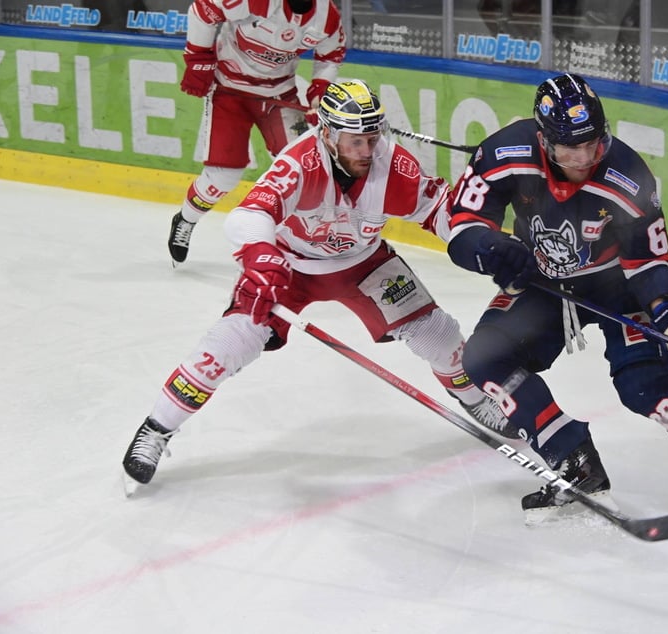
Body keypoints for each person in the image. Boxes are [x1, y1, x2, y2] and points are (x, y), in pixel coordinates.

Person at [446, 73, 668, 544]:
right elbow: (461, 228)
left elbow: (647, 262)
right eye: (570, 148)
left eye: (593, 142)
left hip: (617, 287)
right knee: (484, 359)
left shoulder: (628, 176)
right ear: (544, 139)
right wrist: (489, 247)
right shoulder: (504, 153)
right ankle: (575, 463)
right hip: (546, 283)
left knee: (644, 383)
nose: (585, 157)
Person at [123, 80, 514, 494]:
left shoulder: (392, 164)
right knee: (228, 345)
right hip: (289, 268)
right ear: (327, 133)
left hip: (364, 263)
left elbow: (436, 207)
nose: (366, 151)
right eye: (354, 142)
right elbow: (248, 215)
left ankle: (474, 399)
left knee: (439, 335)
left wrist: (475, 241)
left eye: (371, 138)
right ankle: (157, 428)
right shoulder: (298, 164)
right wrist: (262, 257)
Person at [167, 0, 347, 267]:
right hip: (229, 92)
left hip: (278, 96)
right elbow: (203, 10)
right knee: (223, 177)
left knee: (304, 171)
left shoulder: (327, 16)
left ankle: (302, 242)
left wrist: (319, 93)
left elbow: (330, 55)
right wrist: (198, 58)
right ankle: (186, 219)